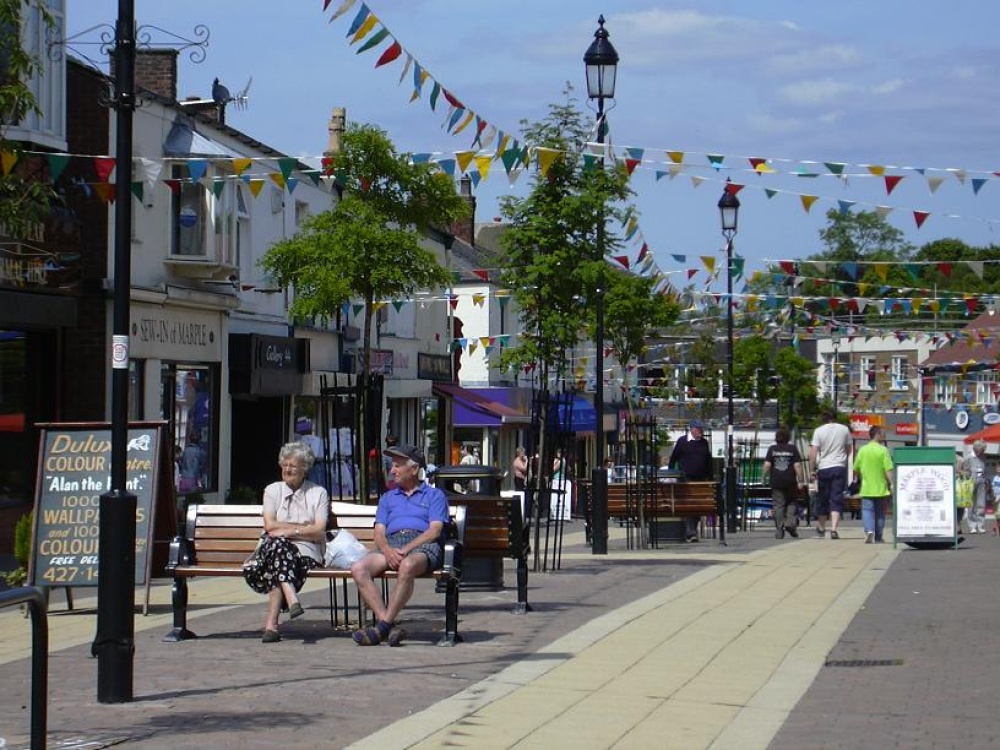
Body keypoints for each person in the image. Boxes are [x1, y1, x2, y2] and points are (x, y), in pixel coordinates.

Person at [350, 444, 450, 646]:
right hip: (392, 544)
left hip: (423, 545)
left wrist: (405, 550)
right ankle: (387, 625)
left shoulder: (434, 495)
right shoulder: (387, 498)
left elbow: (435, 531)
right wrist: (387, 551)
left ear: (413, 469)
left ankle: (381, 628)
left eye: (397, 466)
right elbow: (379, 532)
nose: (392, 470)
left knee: (407, 565)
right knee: (359, 568)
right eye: (392, 466)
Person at [248, 441, 329, 644]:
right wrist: (302, 526)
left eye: (293, 465)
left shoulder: (318, 493)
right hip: (272, 548)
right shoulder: (272, 490)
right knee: (278, 550)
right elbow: (269, 526)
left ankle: (272, 625)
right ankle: (291, 598)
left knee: (277, 555)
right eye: (284, 464)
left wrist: (287, 530)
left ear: (305, 468)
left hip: (305, 550)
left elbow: (319, 530)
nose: (287, 469)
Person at [808, 408, 853, 539]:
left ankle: (822, 527)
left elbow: (813, 452)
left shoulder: (819, 431)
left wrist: (812, 469)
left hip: (824, 467)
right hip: (839, 467)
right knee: (836, 498)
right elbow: (850, 449)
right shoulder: (844, 429)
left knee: (822, 498)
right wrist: (842, 458)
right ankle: (833, 529)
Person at [668, 420, 713, 542]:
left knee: (698, 506)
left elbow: (708, 461)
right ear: (692, 429)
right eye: (699, 429)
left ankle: (692, 530)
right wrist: (670, 473)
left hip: (700, 480)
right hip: (686, 479)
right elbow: (673, 458)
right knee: (688, 505)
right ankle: (690, 532)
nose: (701, 432)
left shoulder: (704, 443)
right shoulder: (683, 441)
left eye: (702, 429)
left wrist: (710, 478)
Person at [763, 427, 806, 539]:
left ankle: (779, 529)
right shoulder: (792, 449)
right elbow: (797, 465)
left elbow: (767, 464)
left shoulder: (772, 449)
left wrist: (763, 477)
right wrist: (800, 480)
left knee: (778, 505)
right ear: (788, 438)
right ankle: (790, 524)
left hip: (776, 481)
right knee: (792, 503)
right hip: (790, 481)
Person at [853, 425, 893, 543]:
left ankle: (869, 530)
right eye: (883, 433)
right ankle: (879, 537)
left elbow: (855, 468)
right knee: (880, 513)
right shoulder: (883, 450)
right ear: (877, 435)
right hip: (881, 487)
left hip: (866, 487)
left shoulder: (862, 450)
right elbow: (888, 470)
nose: (884, 436)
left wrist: (861, 478)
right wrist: (892, 483)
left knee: (867, 510)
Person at [964, 440, 991, 533]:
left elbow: (985, 470)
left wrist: (987, 481)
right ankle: (972, 526)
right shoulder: (968, 458)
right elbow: (965, 470)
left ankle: (980, 525)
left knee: (981, 504)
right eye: (982, 450)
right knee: (971, 504)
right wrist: (968, 478)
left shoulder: (983, 457)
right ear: (976, 449)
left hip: (981, 482)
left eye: (983, 450)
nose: (983, 452)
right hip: (971, 482)